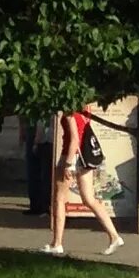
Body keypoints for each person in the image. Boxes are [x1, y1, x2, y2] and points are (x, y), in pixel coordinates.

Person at [47, 106, 124, 257]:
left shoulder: (70, 112)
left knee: (59, 199)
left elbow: (74, 138)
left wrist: (68, 164)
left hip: (71, 156)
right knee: (89, 199)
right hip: (85, 158)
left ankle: (57, 243)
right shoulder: (85, 112)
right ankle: (114, 236)